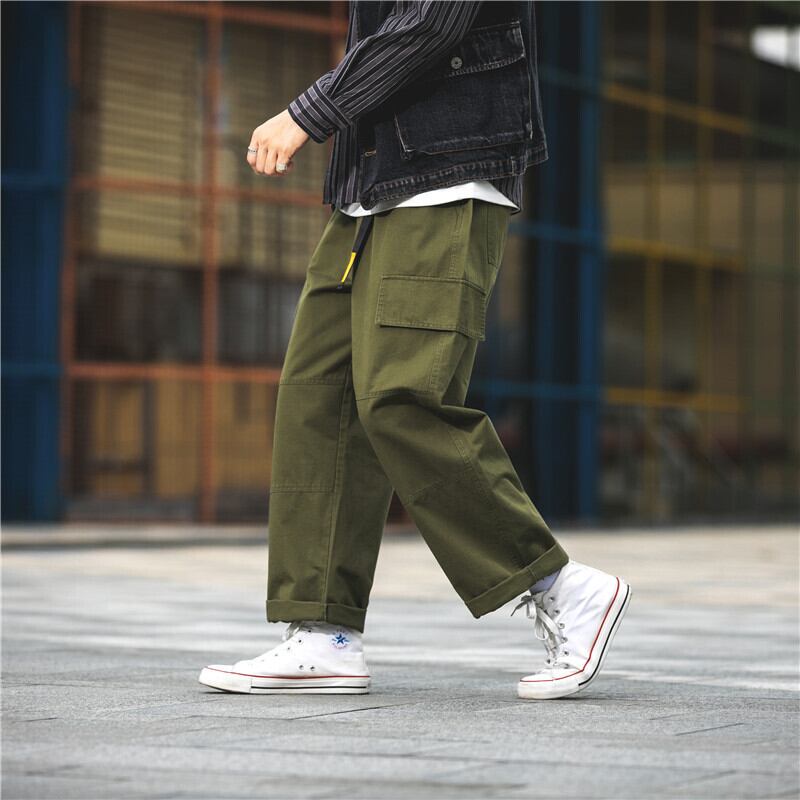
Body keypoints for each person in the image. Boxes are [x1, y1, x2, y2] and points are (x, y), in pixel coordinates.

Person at [198, 0, 631, 701]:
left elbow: (432, 21)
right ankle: (325, 634)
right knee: (320, 399)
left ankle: (561, 585)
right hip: (369, 190)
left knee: (402, 398)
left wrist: (308, 113)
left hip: (446, 176)